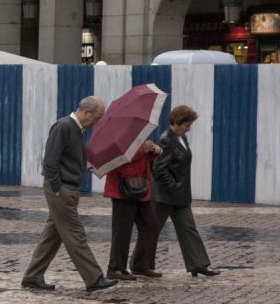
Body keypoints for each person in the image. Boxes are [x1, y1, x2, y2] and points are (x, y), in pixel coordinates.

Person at [21, 96, 117, 292]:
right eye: (96, 118)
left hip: (67, 187)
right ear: (86, 112)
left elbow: (67, 158)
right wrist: (57, 187)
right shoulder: (64, 127)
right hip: (61, 189)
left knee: (53, 235)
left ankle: (32, 276)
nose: (96, 123)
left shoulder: (77, 130)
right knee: (75, 233)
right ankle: (94, 278)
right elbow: (50, 161)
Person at [152, 105, 221, 278]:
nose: (189, 128)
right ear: (177, 122)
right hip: (165, 197)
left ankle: (198, 264)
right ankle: (139, 264)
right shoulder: (166, 140)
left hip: (181, 197)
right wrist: (174, 186)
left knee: (189, 229)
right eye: (186, 124)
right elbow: (159, 169)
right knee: (151, 231)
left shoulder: (181, 139)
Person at [104, 139, 163, 280]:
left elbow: (143, 162)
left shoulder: (140, 138)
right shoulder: (117, 141)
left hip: (141, 189)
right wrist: (144, 150)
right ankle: (116, 268)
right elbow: (121, 161)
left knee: (151, 227)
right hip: (122, 192)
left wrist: (153, 153)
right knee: (122, 231)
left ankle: (141, 264)